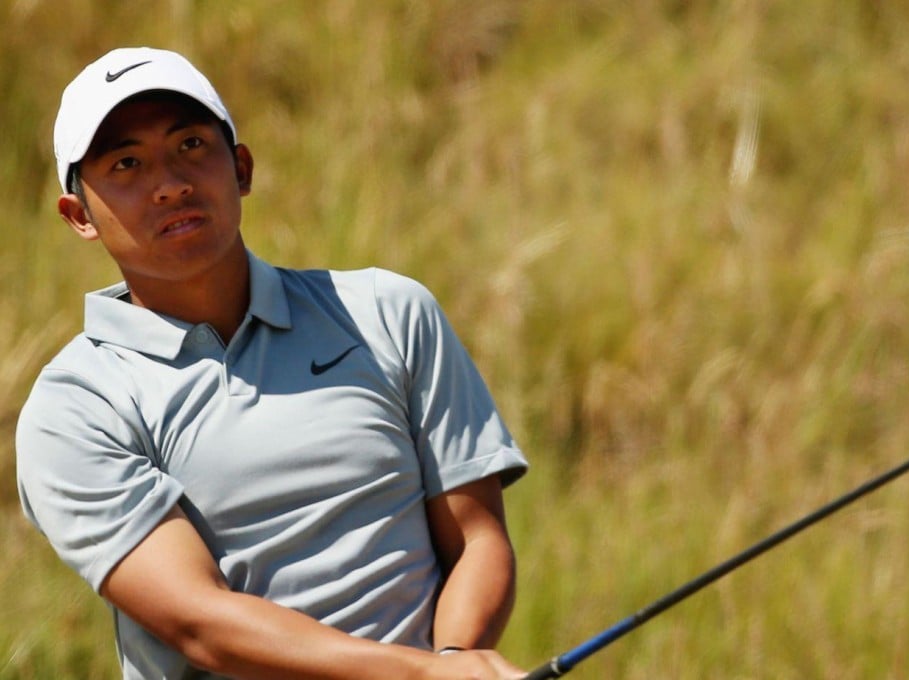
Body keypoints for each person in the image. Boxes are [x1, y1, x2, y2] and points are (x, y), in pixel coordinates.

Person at [16, 47, 529, 680]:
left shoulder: (389, 312)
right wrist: (416, 675)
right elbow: (200, 624)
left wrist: (455, 659)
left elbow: (477, 537)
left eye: (192, 146)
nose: (171, 182)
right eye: (127, 163)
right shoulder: (74, 408)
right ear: (79, 217)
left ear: (242, 168)